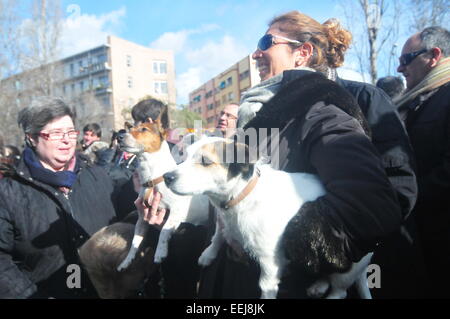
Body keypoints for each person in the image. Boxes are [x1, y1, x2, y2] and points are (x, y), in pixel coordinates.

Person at [200, 10, 404, 299]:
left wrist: (290, 249)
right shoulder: (260, 113)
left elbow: (373, 208)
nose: (256, 54)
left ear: (303, 53)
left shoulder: (319, 112)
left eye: (266, 41)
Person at [0, 97, 118, 298]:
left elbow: (123, 226)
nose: (66, 139)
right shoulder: (8, 192)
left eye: (71, 132)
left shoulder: (98, 176)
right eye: (55, 133)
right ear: (32, 138)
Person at [395, 26, 450, 298]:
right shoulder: (418, 101)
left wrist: (405, 198)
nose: (399, 68)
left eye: (406, 59)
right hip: (422, 244)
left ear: (433, 56)